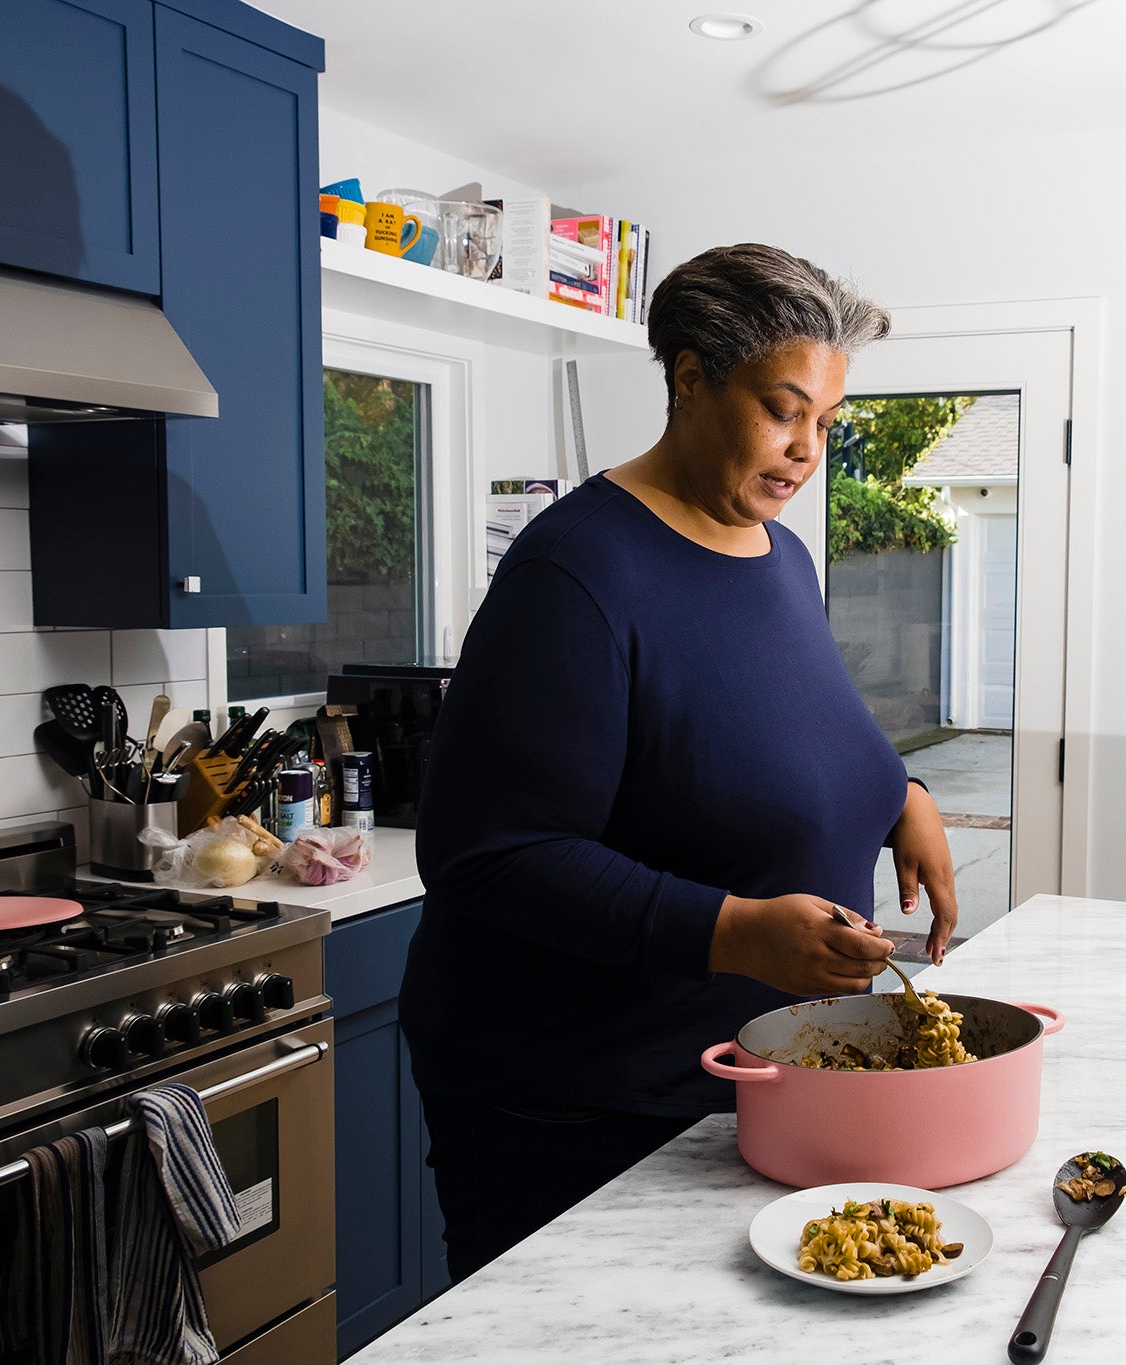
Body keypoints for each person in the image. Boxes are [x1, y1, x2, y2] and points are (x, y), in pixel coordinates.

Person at [401, 242, 961, 1283]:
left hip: (744, 1087)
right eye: (782, 410)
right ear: (692, 377)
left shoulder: (777, 555)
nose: (805, 451)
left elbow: (774, 730)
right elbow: (489, 854)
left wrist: (899, 794)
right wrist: (735, 932)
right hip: (578, 1105)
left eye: (825, 425)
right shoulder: (577, 573)